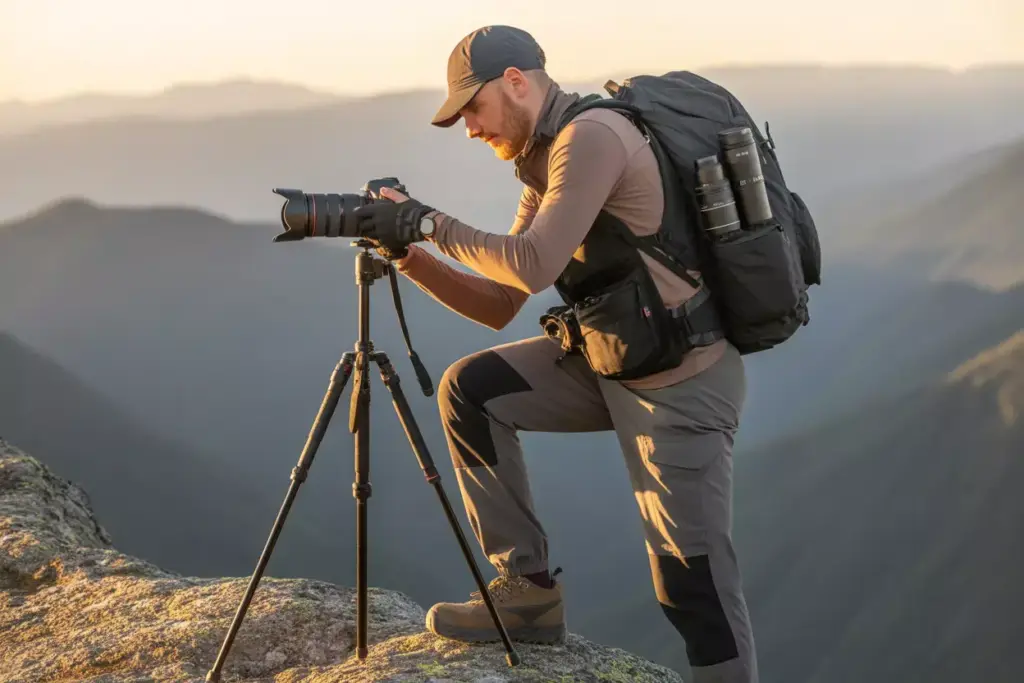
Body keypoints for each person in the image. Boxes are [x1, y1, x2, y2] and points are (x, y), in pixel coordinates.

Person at [351, 24, 758, 683]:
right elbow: (500, 300)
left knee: (691, 582)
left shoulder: (592, 139)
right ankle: (529, 593)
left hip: (681, 382)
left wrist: (426, 220)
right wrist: (410, 255)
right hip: (614, 357)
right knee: (472, 389)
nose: (470, 128)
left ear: (516, 82)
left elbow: (535, 263)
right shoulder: (542, 161)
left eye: (472, 109)